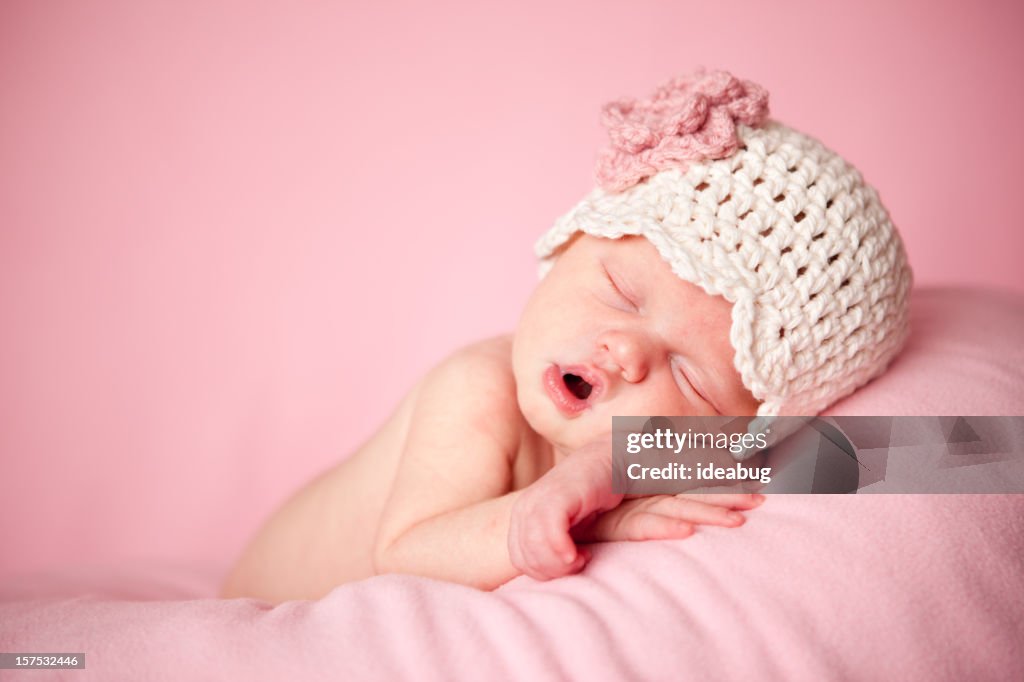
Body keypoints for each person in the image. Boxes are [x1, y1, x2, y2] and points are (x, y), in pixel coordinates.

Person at [220, 69, 912, 603]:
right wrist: (569, 509)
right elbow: (406, 552)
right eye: (621, 291)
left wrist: (603, 490)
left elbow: (928, 457)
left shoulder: (673, 453)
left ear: (734, 429)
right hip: (264, 601)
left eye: (690, 375)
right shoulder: (475, 389)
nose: (629, 350)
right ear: (570, 243)